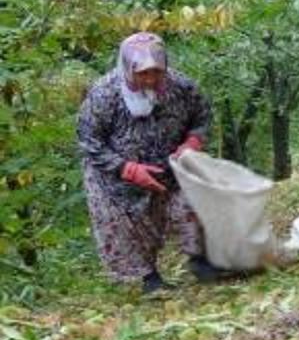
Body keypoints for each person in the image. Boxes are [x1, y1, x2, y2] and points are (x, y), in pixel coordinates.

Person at [77, 32, 229, 293]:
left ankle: (202, 262)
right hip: (115, 178)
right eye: (142, 73)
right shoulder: (104, 94)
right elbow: (88, 140)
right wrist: (127, 169)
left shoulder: (181, 88)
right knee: (129, 226)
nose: (150, 79)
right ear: (127, 68)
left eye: (157, 72)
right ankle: (150, 279)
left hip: (169, 168)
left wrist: (192, 142)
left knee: (190, 205)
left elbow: (202, 116)